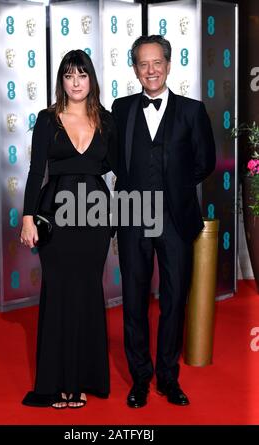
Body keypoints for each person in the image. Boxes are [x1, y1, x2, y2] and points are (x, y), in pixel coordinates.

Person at [112, 35, 216, 408]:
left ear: (169, 65)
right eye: (143, 64)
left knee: (174, 300)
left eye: (157, 63)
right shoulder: (121, 109)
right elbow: (114, 159)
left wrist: (175, 189)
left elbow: (204, 162)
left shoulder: (192, 110)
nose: (151, 70)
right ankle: (141, 377)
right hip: (132, 216)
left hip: (175, 219)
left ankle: (168, 378)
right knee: (135, 301)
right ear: (135, 69)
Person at [21, 49, 117, 409]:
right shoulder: (48, 120)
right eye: (68, 76)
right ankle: (56, 382)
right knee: (59, 292)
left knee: (89, 292)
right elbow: (35, 171)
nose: (75, 83)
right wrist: (28, 217)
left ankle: (82, 380)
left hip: (95, 217)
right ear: (61, 81)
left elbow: (119, 168)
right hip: (56, 215)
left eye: (82, 75)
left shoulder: (108, 121)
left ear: (91, 79)